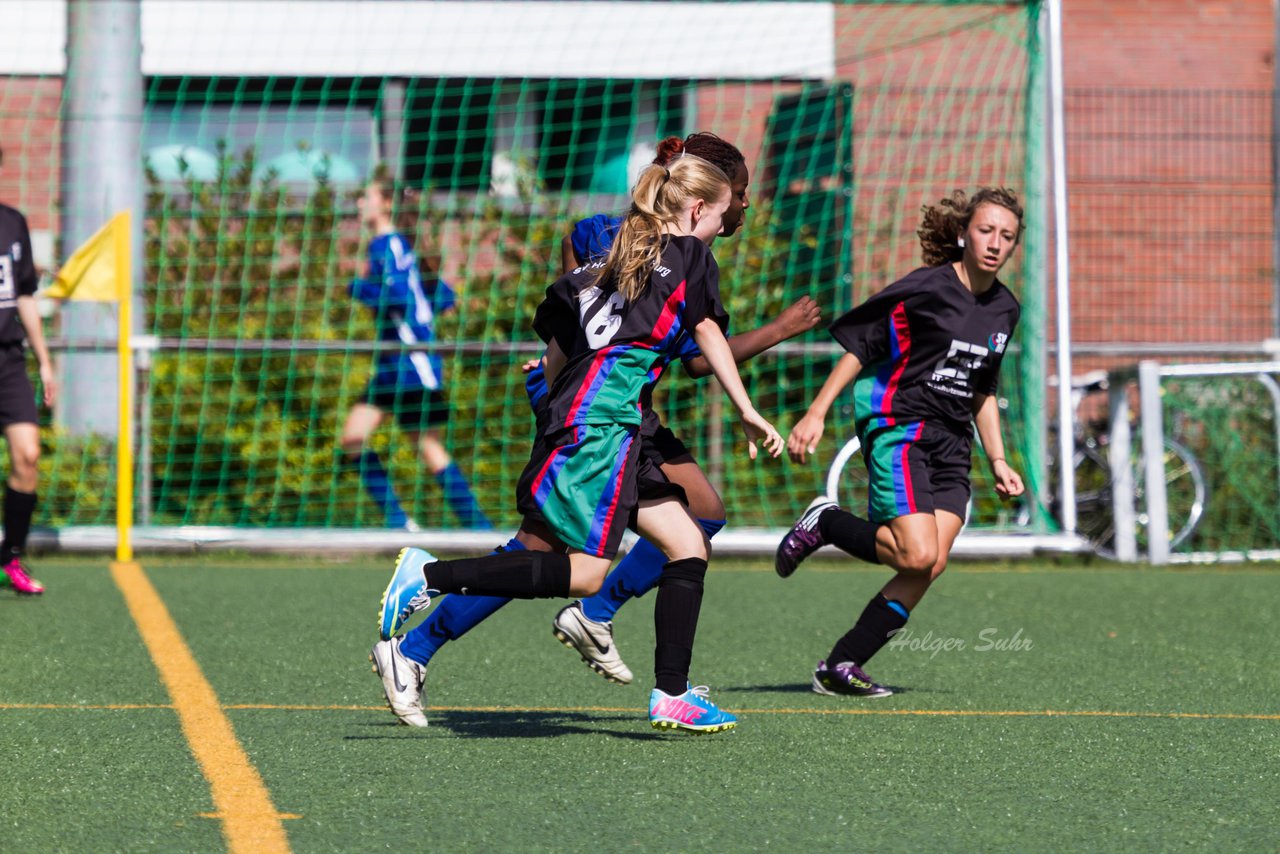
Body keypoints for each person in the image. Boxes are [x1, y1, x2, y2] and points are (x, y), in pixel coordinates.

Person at [370, 135, 818, 728]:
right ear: (700, 199)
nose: (745, 208)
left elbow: (574, 314)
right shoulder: (667, 251)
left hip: (616, 413)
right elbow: (697, 348)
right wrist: (772, 347)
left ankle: (651, 673)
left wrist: (558, 366)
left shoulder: (622, 242)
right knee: (558, 558)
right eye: (739, 196)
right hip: (601, 417)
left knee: (694, 528)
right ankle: (428, 613)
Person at [775, 187, 1026, 697]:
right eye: (985, 230)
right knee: (914, 554)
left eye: (1007, 236)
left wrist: (998, 458)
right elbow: (860, 347)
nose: (995, 243)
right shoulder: (928, 288)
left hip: (954, 443)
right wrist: (816, 412)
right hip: (901, 425)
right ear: (963, 233)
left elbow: (983, 388)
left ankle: (840, 666)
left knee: (930, 563)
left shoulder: (1006, 309)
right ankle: (827, 521)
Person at [341, 178, 491, 531]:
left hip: (411, 364)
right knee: (354, 438)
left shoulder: (387, 245)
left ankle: (480, 530)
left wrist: (358, 288)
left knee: (428, 448)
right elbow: (442, 297)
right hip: (393, 365)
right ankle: (400, 522)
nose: (361, 202)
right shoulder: (397, 246)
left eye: (368, 196)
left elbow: (398, 299)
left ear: (386, 206)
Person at [0, 145, 57, 595]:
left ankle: (10, 556)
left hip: (8, 361)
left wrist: (45, 361)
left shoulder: (13, 222)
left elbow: (24, 296)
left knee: (28, 456)